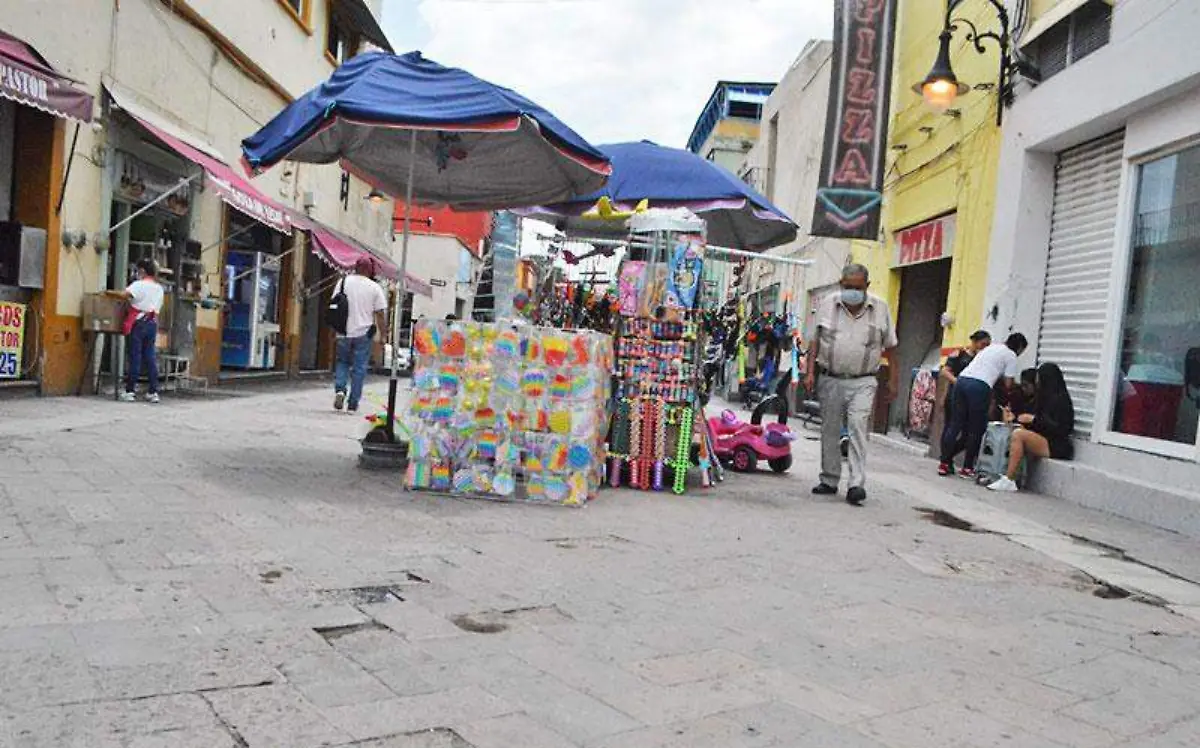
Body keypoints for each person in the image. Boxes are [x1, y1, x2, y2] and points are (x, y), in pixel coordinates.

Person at [805, 264, 899, 506]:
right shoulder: (827, 303)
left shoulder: (880, 308)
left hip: (864, 380)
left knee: (858, 426)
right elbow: (814, 341)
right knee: (830, 429)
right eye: (847, 287)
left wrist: (893, 380)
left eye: (857, 288)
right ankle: (829, 479)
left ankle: (856, 483)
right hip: (831, 377)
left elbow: (890, 346)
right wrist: (809, 372)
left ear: (867, 286)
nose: (852, 292)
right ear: (840, 284)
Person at [938, 332, 1029, 477]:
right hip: (980, 387)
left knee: (955, 424)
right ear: (1019, 348)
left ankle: (943, 464)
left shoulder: (991, 348)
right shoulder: (1011, 355)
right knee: (976, 428)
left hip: (961, 382)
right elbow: (1008, 383)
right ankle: (967, 468)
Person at [987, 362, 1075, 492]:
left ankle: (1009, 479)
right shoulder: (1043, 397)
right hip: (1045, 438)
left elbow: (1062, 429)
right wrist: (1015, 419)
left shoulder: (1061, 400)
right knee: (1017, 431)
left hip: (1057, 444)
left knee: (1019, 435)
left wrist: (1034, 420)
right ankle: (1002, 474)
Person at [334, 257, 388, 414]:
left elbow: (334, 305)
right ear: (370, 270)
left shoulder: (343, 282)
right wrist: (383, 336)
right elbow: (380, 314)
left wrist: (333, 329)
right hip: (363, 334)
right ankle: (352, 404)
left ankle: (340, 389)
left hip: (343, 331)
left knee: (342, 362)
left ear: (355, 267)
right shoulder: (374, 288)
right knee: (359, 368)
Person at [120, 258, 164, 404]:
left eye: (138, 270)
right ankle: (153, 391)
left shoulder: (138, 285)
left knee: (135, 356)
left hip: (138, 323)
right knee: (150, 356)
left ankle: (130, 391)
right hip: (152, 323)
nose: (137, 273)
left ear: (143, 271)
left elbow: (124, 296)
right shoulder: (159, 289)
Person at [939, 329, 991, 427]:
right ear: (975, 342)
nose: (985, 348)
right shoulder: (959, 353)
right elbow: (945, 371)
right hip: (954, 392)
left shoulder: (982, 358)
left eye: (987, 345)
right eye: (983, 344)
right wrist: (958, 382)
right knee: (950, 424)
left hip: (971, 396)